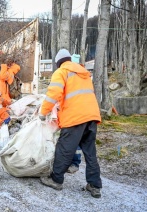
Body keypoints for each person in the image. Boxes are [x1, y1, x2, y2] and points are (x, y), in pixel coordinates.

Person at [39, 48, 102, 198]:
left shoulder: (61, 72)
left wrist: (43, 112)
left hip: (75, 117)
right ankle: (94, 186)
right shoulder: (83, 72)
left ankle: (56, 180)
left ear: (59, 63)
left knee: (64, 148)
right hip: (91, 116)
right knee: (90, 151)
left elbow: (53, 93)